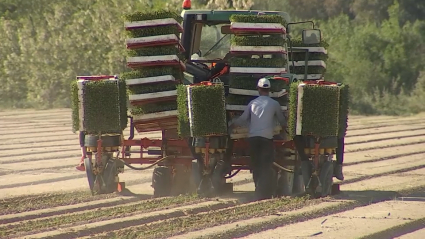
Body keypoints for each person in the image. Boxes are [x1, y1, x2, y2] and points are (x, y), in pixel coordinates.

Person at [229, 77, 286, 200]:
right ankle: (264, 191)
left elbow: (243, 119)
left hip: (253, 139)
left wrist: (232, 124)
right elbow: (282, 120)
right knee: (266, 165)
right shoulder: (274, 104)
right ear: (269, 90)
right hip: (266, 139)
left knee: (256, 165)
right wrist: (287, 129)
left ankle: (257, 189)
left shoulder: (253, 103)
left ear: (258, 89)